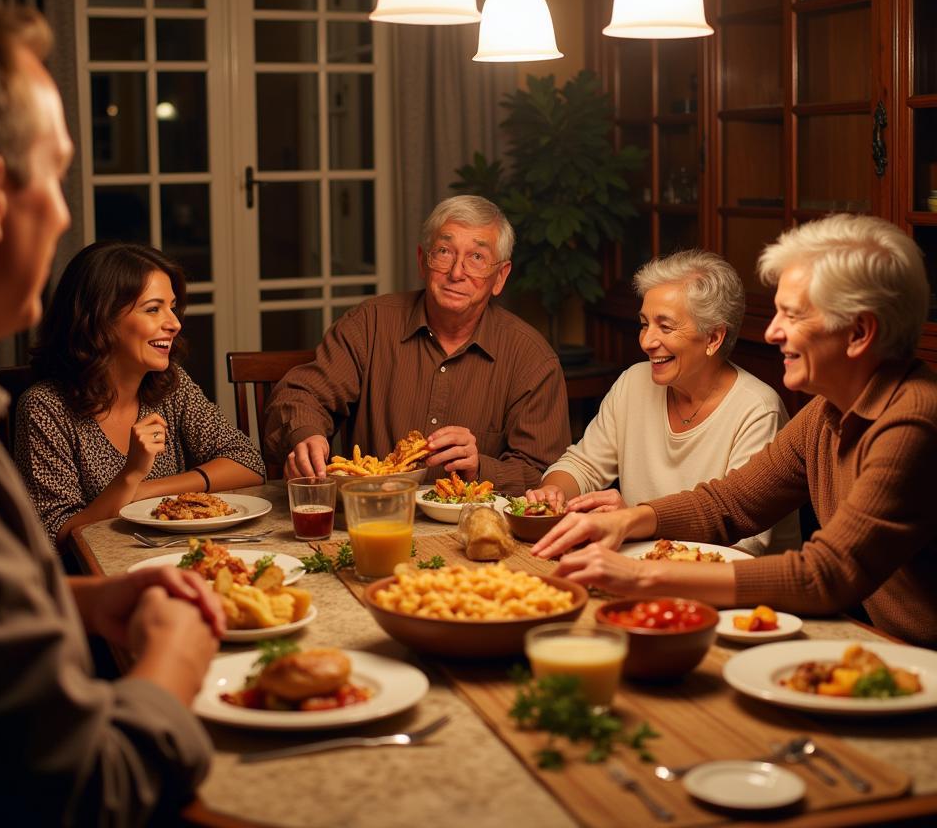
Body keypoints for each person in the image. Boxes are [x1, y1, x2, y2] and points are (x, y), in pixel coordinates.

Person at [0, 0, 225, 825]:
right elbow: (89, 789)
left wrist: (76, 602)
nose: (60, 213)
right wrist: (174, 661)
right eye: (54, 174)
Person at [532, 214, 937, 648]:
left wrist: (644, 572)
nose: (772, 331)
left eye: (793, 315)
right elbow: (729, 502)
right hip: (867, 637)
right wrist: (629, 520)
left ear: (858, 333)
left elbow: (828, 572)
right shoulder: (825, 412)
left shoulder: (914, 418)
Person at [263, 194, 571, 489]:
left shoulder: (531, 359)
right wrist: (306, 437)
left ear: (500, 277)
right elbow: (301, 395)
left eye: (477, 257)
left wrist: (480, 468)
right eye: (444, 252)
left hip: (472, 527)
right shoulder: (369, 324)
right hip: (373, 516)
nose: (456, 272)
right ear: (423, 261)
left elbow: (543, 473)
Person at [526, 250, 801, 555]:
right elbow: (583, 465)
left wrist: (633, 520)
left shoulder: (757, 410)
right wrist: (553, 492)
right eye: (644, 324)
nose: (646, 341)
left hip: (737, 594)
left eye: (665, 327)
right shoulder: (634, 382)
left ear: (713, 339)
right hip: (641, 567)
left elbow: (741, 546)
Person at [17, 240, 266, 548]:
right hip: (96, 582)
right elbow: (56, 538)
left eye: (172, 307)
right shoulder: (45, 408)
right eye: (153, 309)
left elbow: (248, 462)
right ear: (100, 319)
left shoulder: (169, 385)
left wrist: (147, 489)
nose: (174, 323)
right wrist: (131, 473)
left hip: (170, 557)